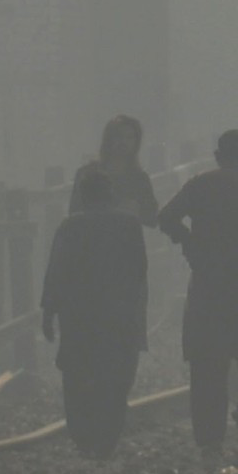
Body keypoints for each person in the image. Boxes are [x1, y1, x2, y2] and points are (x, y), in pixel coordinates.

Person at [158, 130, 238, 462]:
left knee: (207, 363)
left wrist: (189, 243)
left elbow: (166, 217)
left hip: (208, 283)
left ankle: (209, 439)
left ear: (217, 154)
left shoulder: (199, 184)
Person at [41, 169, 148, 458]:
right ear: (110, 195)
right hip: (118, 313)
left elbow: (56, 271)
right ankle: (106, 438)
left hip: (78, 315)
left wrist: (48, 311)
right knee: (114, 375)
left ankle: (83, 435)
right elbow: (140, 271)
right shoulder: (129, 225)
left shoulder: (69, 227)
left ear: (82, 197)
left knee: (77, 374)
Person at [70, 115, 159, 226]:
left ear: (136, 143)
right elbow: (74, 213)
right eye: (118, 136)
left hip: (125, 239)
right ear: (108, 139)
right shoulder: (87, 174)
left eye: (130, 137)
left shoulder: (140, 179)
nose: (123, 142)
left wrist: (137, 210)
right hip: (91, 238)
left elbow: (152, 219)